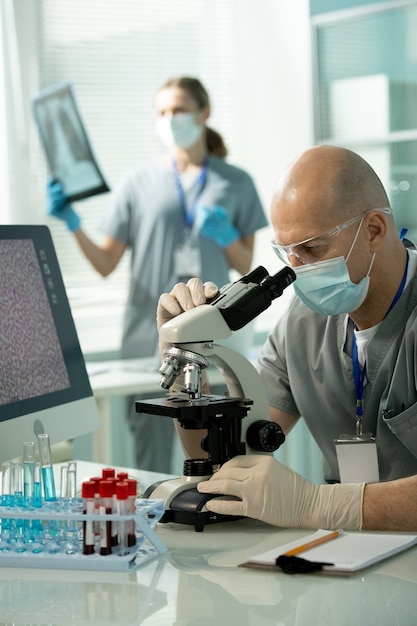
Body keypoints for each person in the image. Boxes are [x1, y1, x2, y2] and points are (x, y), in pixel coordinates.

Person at [157, 144, 417, 531]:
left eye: (312, 249)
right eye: (287, 253)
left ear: (375, 230)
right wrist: (179, 348)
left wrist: (315, 504)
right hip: (351, 554)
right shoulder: (302, 322)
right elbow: (223, 464)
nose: (298, 270)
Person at [46, 76, 267, 473]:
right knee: (150, 451)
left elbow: (248, 266)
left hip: (211, 335)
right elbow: (105, 263)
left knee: (215, 448)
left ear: (204, 112)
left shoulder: (235, 181)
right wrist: (73, 223)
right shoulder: (136, 183)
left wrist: (228, 236)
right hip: (149, 337)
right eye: (162, 112)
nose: (170, 119)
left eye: (179, 109)